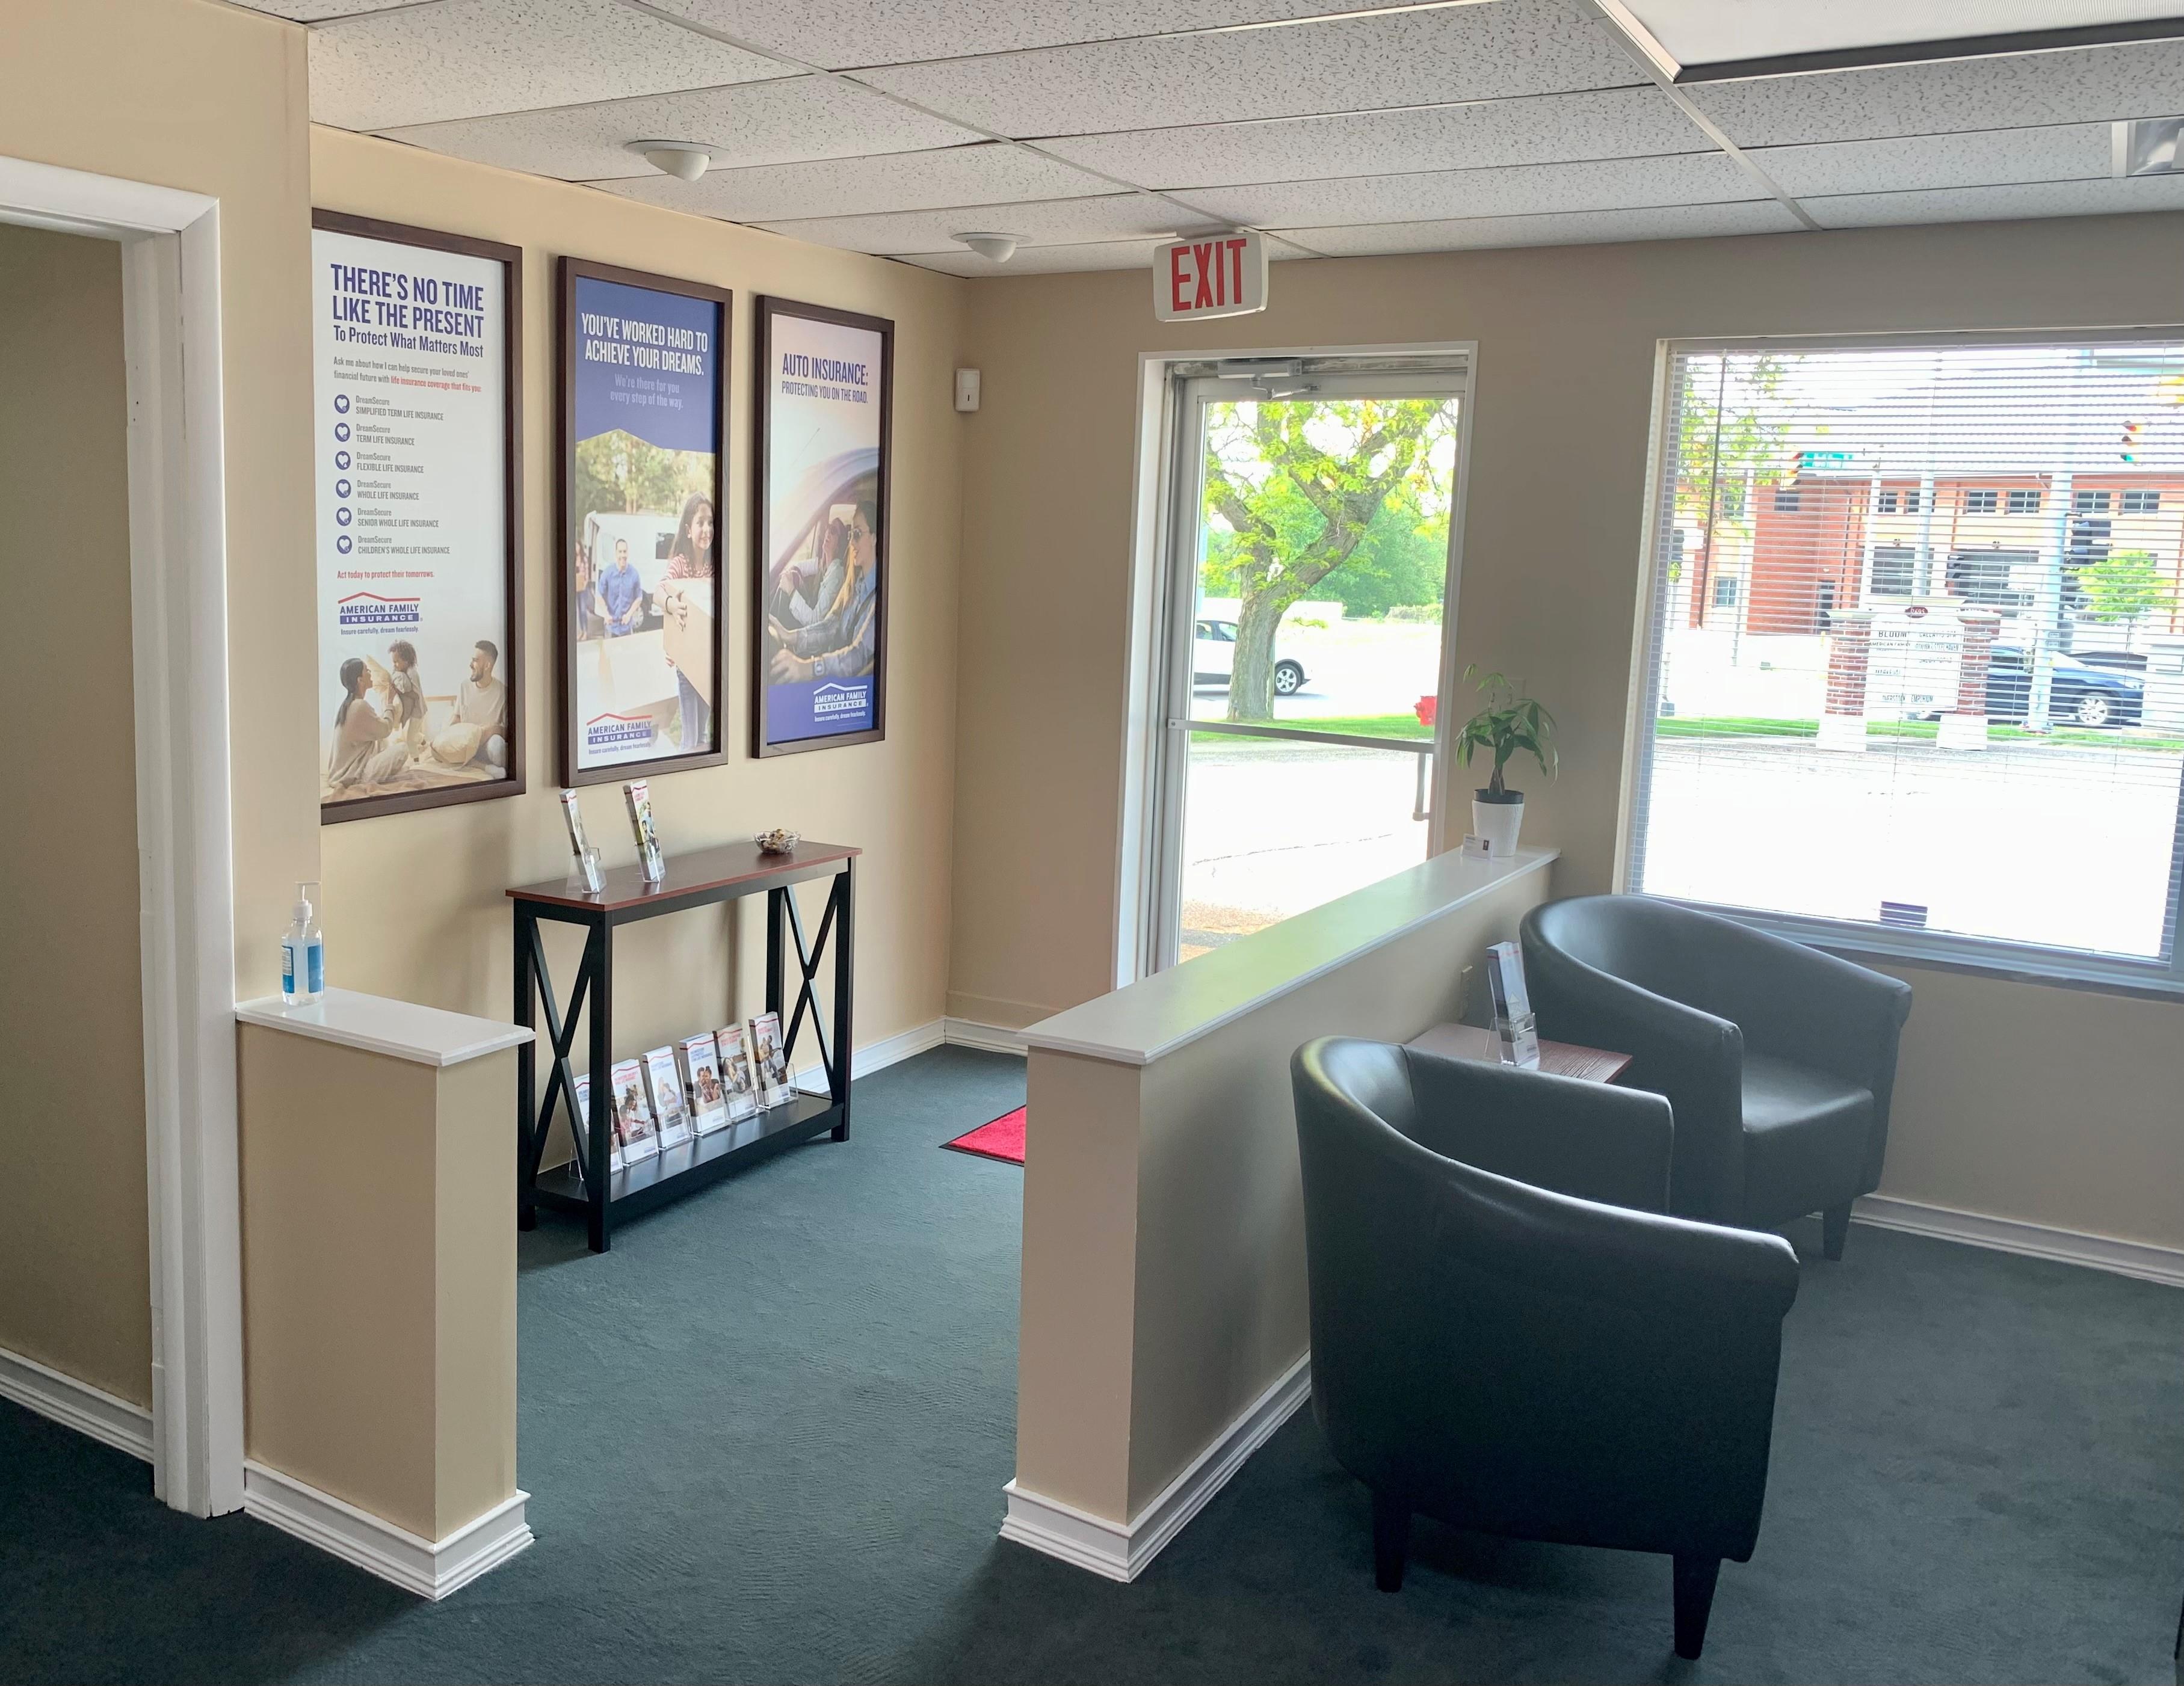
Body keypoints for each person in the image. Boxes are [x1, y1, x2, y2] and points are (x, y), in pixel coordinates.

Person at [768, 499, 879, 685]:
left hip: (848, 689)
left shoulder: (878, 596)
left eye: (858, 534)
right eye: (851, 534)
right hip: (833, 673)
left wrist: (811, 667)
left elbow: (858, 654)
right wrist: (790, 635)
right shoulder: (855, 585)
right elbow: (830, 626)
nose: (851, 542)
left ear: (875, 538)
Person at [660, 492, 716, 751]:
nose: (707, 529)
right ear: (689, 530)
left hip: (707, 665)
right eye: (700, 523)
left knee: (704, 737)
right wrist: (672, 605)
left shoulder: (715, 566)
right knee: (690, 739)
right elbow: (659, 592)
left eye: (710, 523)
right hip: (686, 667)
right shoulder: (680, 564)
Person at [326, 657, 409, 789]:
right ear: (360, 680)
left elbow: (379, 729)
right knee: (403, 748)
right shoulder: (359, 706)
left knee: (380, 741)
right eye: (367, 671)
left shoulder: (348, 705)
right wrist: (389, 704)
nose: (371, 673)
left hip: (342, 774)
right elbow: (386, 729)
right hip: (354, 777)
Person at [450, 640, 508, 768]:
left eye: (475, 660)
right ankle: (484, 767)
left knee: (498, 747)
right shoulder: (464, 686)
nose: (470, 665)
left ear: (487, 666)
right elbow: (457, 718)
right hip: (466, 744)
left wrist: (492, 729)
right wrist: (445, 735)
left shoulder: (503, 692)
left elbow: (509, 731)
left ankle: (480, 765)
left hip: (487, 746)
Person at [597, 537, 645, 636]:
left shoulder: (634, 574)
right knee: (609, 652)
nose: (623, 555)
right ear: (616, 553)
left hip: (626, 628)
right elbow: (599, 595)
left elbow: (639, 598)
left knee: (627, 652)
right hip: (611, 627)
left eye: (625, 552)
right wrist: (606, 614)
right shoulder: (608, 573)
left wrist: (629, 615)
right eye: (620, 552)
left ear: (628, 553)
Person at [386, 640, 426, 753]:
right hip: (412, 710)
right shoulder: (401, 671)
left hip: (418, 711)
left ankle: (416, 762)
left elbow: (416, 695)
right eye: (393, 662)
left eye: (397, 662)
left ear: (407, 661)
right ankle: (424, 741)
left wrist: (399, 691)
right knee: (413, 733)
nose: (394, 665)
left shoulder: (412, 673)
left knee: (410, 739)